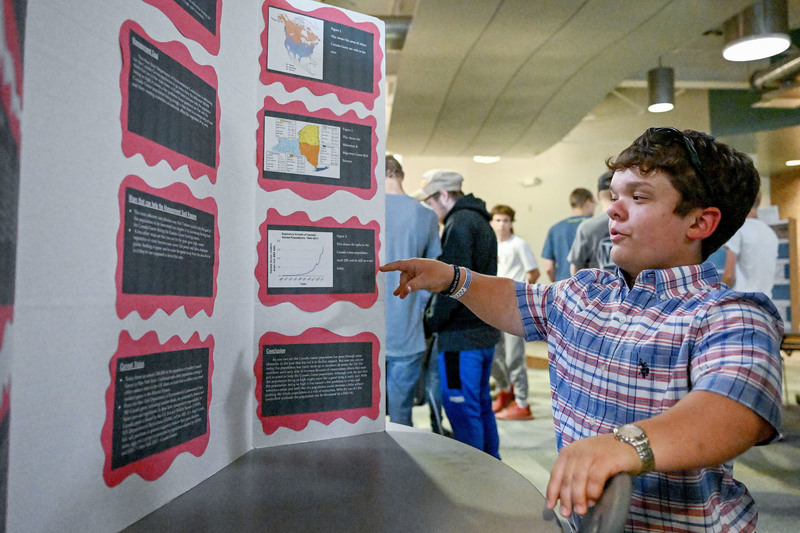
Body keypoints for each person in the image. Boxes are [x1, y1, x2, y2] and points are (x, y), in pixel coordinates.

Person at [382, 128, 783, 532]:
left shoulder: (730, 314)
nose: (613, 210)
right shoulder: (587, 290)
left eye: (639, 197)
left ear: (699, 222)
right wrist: (451, 278)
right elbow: (514, 299)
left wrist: (627, 444)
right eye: (615, 195)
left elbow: (733, 412)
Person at [411, 169, 501, 458]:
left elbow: (454, 284)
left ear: (444, 195)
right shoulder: (481, 221)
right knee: (480, 406)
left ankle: (475, 477)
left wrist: (432, 322)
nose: (430, 209)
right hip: (483, 332)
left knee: (462, 410)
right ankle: (492, 466)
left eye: (430, 202)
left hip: (461, 339)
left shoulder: (458, 224)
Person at [383, 155, 442, 426]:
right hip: (407, 330)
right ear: (402, 175)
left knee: (360, 420)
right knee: (400, 418)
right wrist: (418, 308)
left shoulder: (362, 212)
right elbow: (434, 276)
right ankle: (398, 467)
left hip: (363, 332)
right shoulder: (427, 216)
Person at [489, 204, 538, 420]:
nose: (502, 224)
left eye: (506, 220)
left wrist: (520, 296)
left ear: (511, 223)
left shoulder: (519, 244)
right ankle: (504, 390)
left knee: (514, 357)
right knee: (496, 356)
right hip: (494, 307)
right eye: (498, 220)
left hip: (513, 307)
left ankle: (522, 403)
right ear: (492, 222)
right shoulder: (491, 245)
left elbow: (533, 272)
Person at [722, 191, 779, 294]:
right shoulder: (770, 233)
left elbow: (729, 276)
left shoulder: (738, 230)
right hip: (765, 304)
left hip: (743, 303)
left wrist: (715, 298)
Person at [541, 188, 595, 282]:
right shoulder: (595, 225)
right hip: (591, 287)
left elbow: (548, 268)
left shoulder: (555, 229)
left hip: (564, 288)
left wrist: (558, 285)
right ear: (588, 202)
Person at [567, 171, 615, 274]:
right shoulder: (635, 224)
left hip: (599, 288)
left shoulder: (587, 227)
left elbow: (575, 270)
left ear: (598, 195)